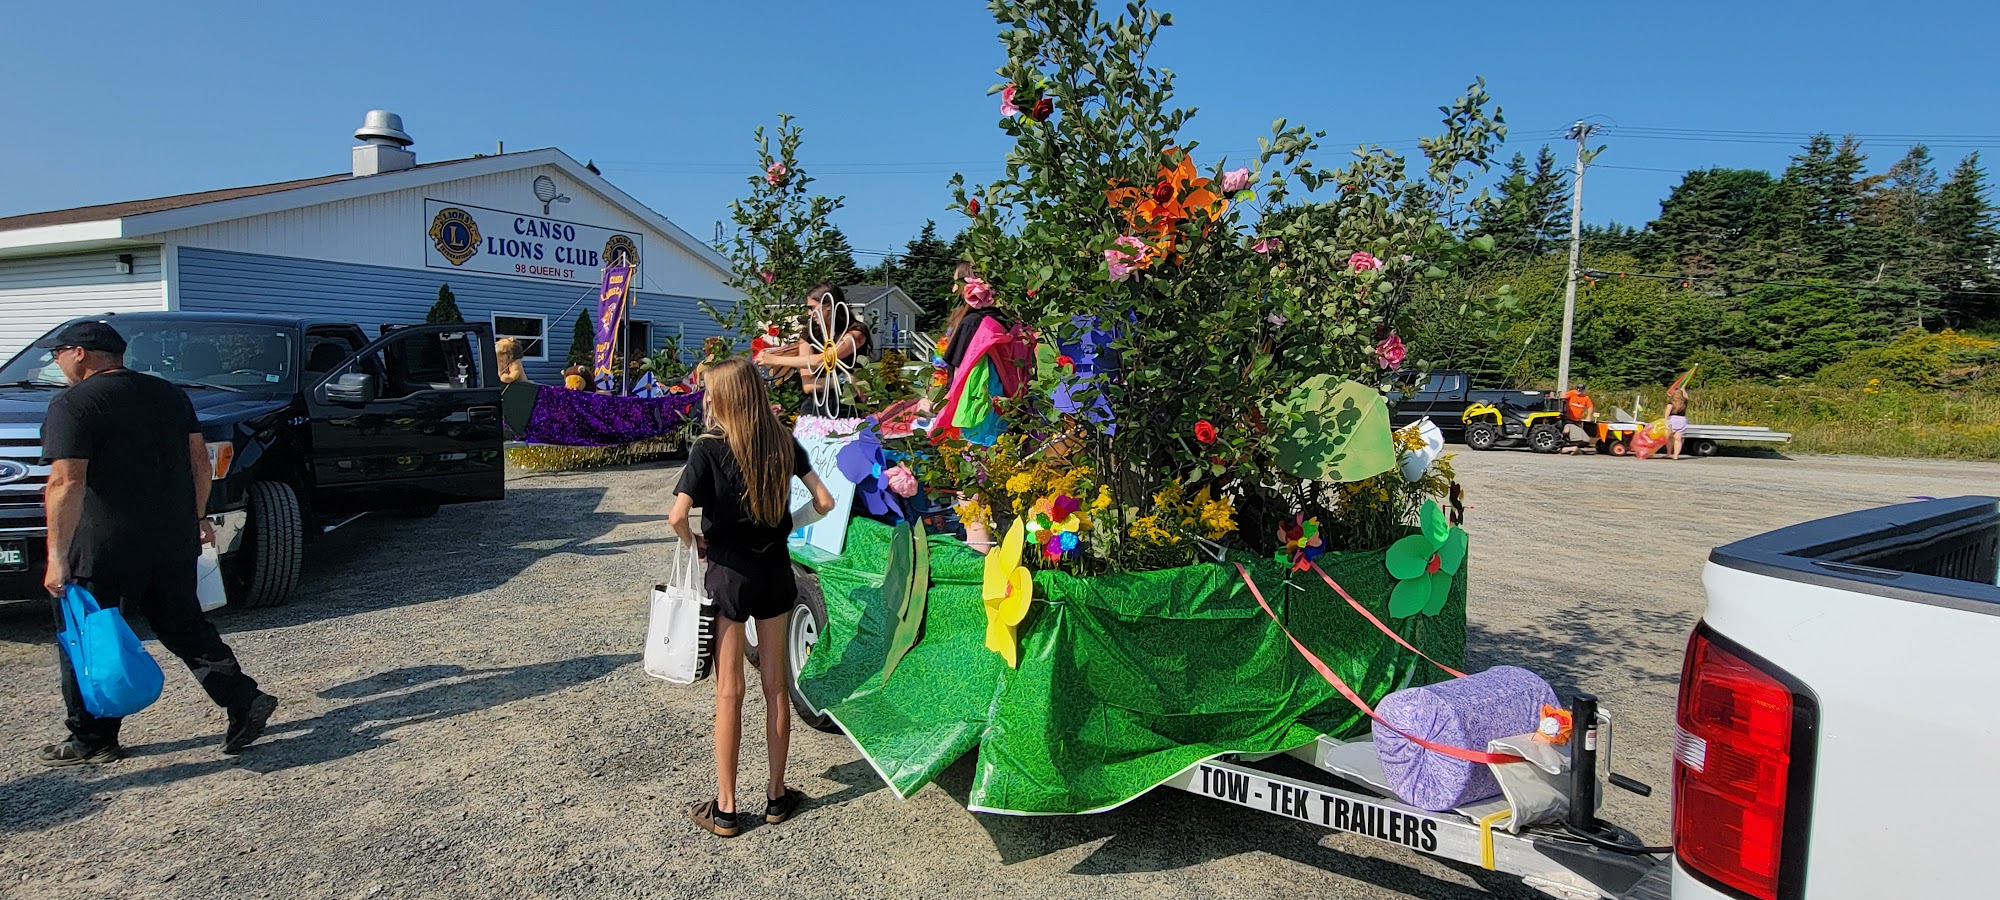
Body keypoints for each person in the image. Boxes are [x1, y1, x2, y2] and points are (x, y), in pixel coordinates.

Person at [35, 322, 279, 766]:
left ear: (81, 354)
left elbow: (65, 482)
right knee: (183, 623)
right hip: (170, 536)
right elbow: (199, 463)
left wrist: (55, 556)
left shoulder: (72, 405)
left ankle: (92, 737)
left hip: (102, 543)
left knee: (90, 637)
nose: (56, 362)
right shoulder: (168, 394)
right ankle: (243, 699)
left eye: (58, 353)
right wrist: (199, 517)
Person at [668, 357, 836, 837]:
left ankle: (725, 807)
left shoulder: (708, 448)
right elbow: (823, 502)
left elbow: (676, 516)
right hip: (774, 573)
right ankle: (778, 796)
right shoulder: (782, 440)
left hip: (728, 576)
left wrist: (696, 544)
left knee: (729, 692)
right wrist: (788, 527)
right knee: (776, 688)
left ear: (721, 397)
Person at [755, 283, 870, 417]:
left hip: (847, 408)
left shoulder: (856, 333)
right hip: (814, 409)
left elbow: (826, 359)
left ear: (828, 305)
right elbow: (808, 385)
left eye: (812, 307)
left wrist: (775, 360)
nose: (809, 313)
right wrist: (844, 379)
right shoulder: (810, 335)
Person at [1559, 381, 1596, 455]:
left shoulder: (1586, 398)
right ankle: (1566, 444)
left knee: (1579, 435)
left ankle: (1574, 446)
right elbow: (1562, 397)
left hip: (1577, 421)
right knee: (1566, 431)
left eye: (1581, 390)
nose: (1579, 391)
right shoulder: (1571, 393)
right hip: (1568, 419)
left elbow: (1590, 406)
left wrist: (1588, 416)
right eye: (1578, 389)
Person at [1665, 385, 1692, 460]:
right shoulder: (1684, 402)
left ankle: (1669, 453)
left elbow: (1667, 412)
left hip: (1672, 420)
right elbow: (1687, 397)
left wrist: (1665, 420)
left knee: (1669, 438)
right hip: (1682, 420)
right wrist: (1683, 389)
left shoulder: (1671, 403)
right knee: (1678, 439)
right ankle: (1676, 455)